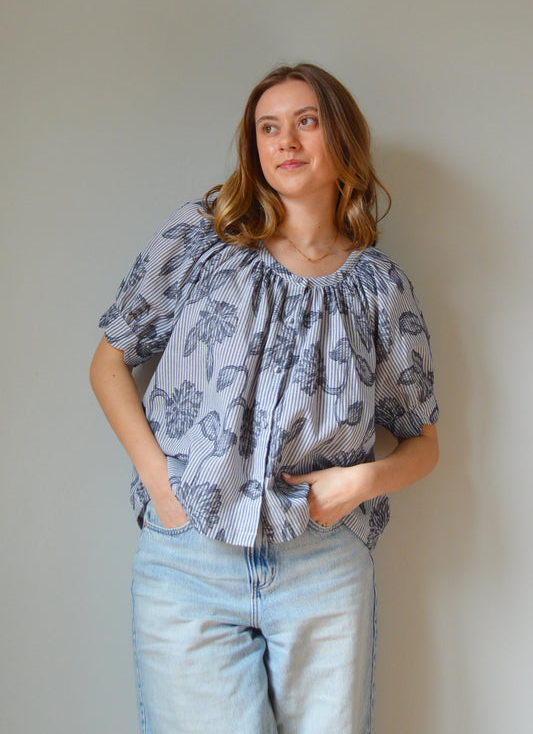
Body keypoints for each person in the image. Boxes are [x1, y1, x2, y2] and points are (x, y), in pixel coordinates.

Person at [90, 63, 439, 734]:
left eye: (305, 121)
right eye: (267, 128)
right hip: (187, 560)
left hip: (322, 562)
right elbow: (109, 362)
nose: (285, 141)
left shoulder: (378, 287)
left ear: (342, 142)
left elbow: (424, 441)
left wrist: (359, 481)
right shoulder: (201, 238)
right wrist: (163, 484)